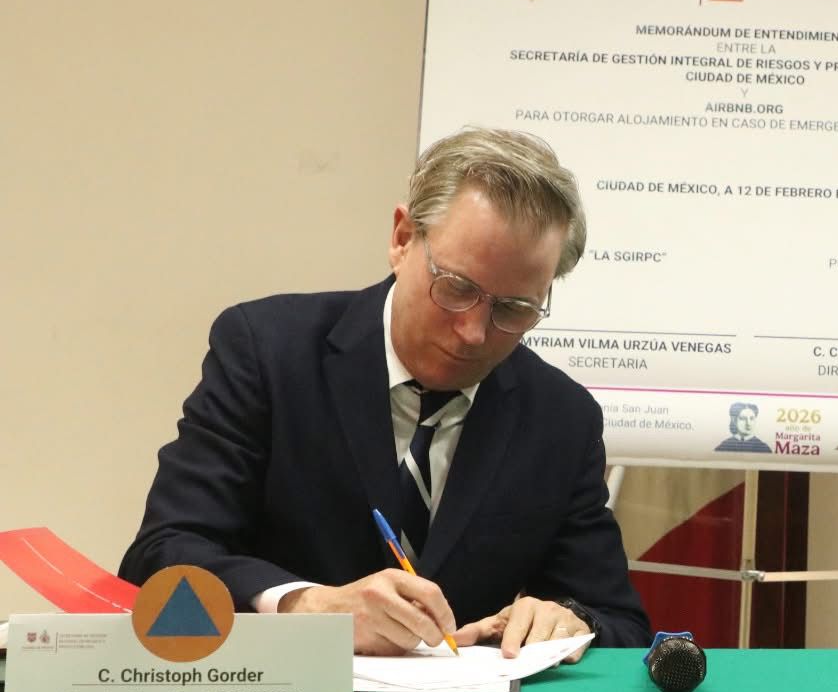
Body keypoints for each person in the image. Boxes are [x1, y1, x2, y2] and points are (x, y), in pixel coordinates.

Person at [120, 126, 650, 659]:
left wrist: (570, 620)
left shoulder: (560, 418)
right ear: (402, 238)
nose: (473, 332)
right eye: (457, 288)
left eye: (514, 309)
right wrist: (308, 605)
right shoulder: (268, 353)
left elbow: (620, 622)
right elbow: (162, 556)